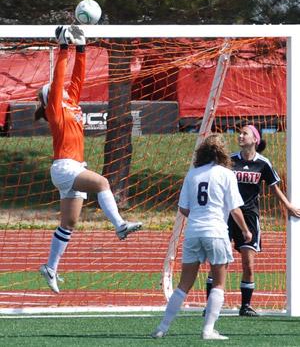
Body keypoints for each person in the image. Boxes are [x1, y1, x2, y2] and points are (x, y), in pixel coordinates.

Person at [35, 25, 142, 294]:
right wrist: (63, 48)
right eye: (55, 90)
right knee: (103, 182)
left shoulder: (69, 103)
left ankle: (50, 267)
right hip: (64, 167)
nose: (62, 89)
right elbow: (60, 79)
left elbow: (76, 81)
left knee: (69, 223)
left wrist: (81, 48)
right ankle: (119, 226)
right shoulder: (56, 110)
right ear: (50, 99)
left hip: (72, 168)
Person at [151, 134, 252, 340]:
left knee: (183, 284)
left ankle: (162, 328)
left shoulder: (192, 174)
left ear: (202, 152)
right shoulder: (226, 174)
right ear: (222, 152)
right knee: (218, 283)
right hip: (216, 232)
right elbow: (234, 208)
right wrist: (245, 230)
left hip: (193, 232)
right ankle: (208, 330)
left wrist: (199, 214)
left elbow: (183, 208)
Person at [205, 124, 300, 317]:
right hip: (226, 216)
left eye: (244, 133)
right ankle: (210, 305)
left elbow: (274, 188)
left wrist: (288, 206)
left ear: (255, 139)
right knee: (218, 262)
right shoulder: (229, 161)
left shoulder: (263, 163)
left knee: (248, 264)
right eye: (239, 133)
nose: (240, 136)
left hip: (249, 217)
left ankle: (245, 306)